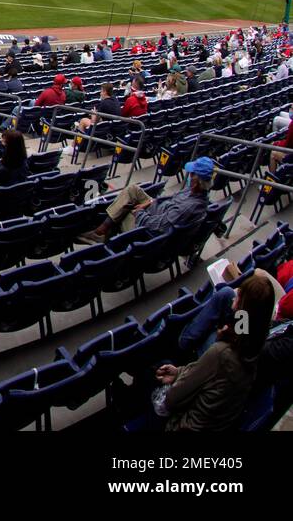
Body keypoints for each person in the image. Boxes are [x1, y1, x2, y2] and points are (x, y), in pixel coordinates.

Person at [154, 275, 274, 431]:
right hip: (216, 419)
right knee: (224, 295)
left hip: (184, 425)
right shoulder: (256, 342)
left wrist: (178, 377)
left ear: (243, 309)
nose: (234, 297)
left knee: (151, 374)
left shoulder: (221, 352)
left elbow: (171, 400)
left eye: (239, 296)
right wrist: (179, 372)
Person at [81, 157, 215, 242]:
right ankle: (102, 231)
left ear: (196, 181)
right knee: (132, 190)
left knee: (123, 210)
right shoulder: (196, 192)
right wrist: (149, 203)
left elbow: (158, 226)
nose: (189, 175)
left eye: (191, 174)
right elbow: (169, 200)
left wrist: (139, 213)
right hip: (157, 210)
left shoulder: (188, 207)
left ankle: (100, 233)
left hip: (148, 232)